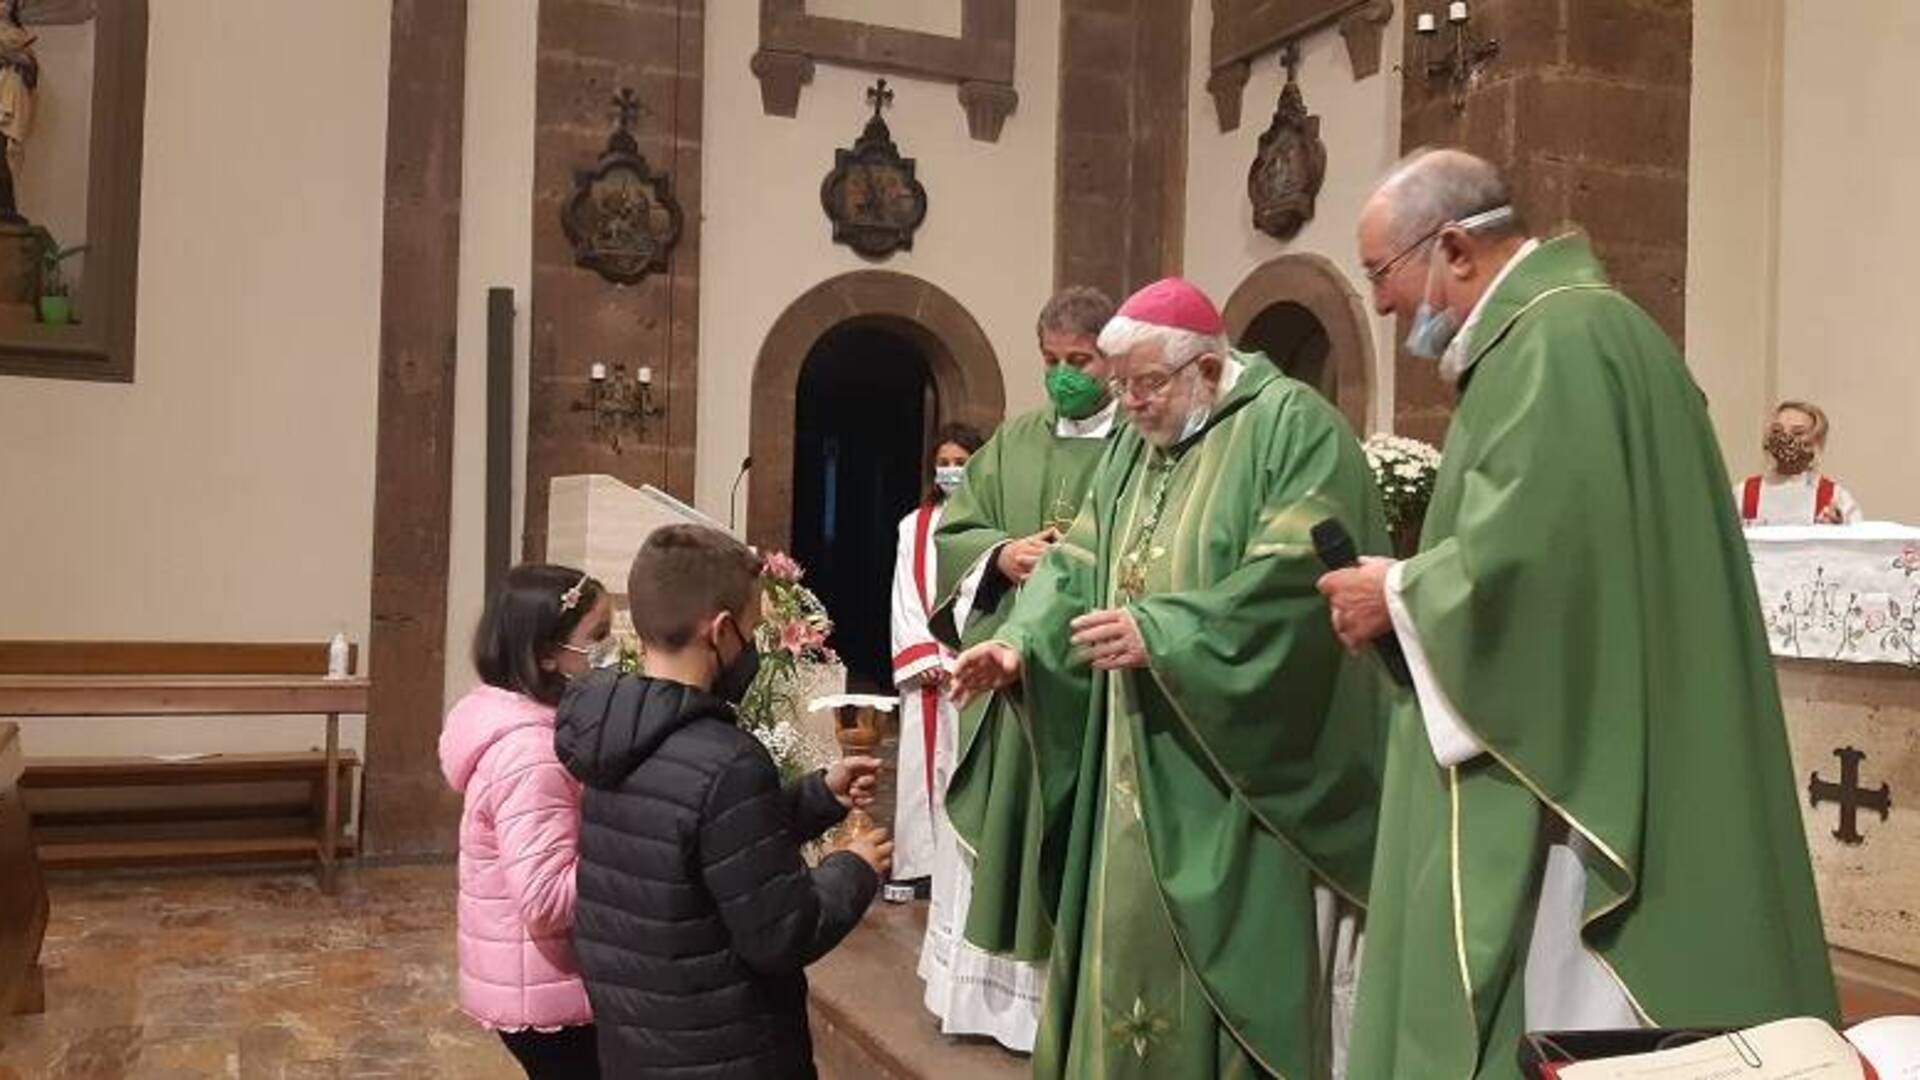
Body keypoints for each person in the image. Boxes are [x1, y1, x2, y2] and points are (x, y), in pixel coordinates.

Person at [1321, 148, 1837, 1079]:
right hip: (1625, 721)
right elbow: (1566, 553)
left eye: (1380, 275)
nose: (1386, 304)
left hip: (1584, 783)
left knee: (1578, 1008)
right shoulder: (1587, 332)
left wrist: (1394, 594)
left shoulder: (1555, 343)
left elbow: (1532, 574)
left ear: (1452, 249)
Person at [951, 277, 1388, 1078]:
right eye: (1122, 387)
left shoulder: (1293, 429)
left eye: (1146, 384)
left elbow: (1300, 580)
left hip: (1233, 766)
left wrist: (1165, 632)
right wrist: (1017, 643)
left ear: (1211, 369)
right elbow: (1078, 559)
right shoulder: (1139, 438)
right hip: (1127, 746)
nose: (1131, 405)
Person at [555, 524, 892, 1079]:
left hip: (640, 1041)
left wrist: (817, 795)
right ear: (719, 630)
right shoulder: (726, 759)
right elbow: (781, 932)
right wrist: (851, 870)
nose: (754, 646)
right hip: (724, 1051)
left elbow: (699, 845)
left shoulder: (610, 733)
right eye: (754, 628)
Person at [918, 285, 1120, 1052]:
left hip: (1094, 677)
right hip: (1009, 676)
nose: (1066, 376)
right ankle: (990, 1004)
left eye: (1081, 361)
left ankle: (1066, 1012)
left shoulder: (1139, 442)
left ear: (1112, 358)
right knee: (1005, 820)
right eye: (1052, 362)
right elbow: (957, 530)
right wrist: (1002, 554)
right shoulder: (1017, 439)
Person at [440, 564, 613, 1079]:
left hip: (537, 981)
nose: (612, 651)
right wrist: (632, 857)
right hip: (544, 992)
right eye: (598, 638)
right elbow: (544, 898)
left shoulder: (531, 726)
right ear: (545, 653)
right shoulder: (531, 752)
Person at [888, 423, 986, 894]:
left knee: (969, 763)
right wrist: (924, 653)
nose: (950, 470)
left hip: (977, 666)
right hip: (930, 669)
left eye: (960, 462)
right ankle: (923, 867)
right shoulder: (915, 525)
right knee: (924, 767)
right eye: (943, 462)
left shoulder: (995, 521)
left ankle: (969, 863)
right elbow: (906, 594)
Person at [1735, 400, 1862, 525]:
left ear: (1816, 441)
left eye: (1798, 433)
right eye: (1777, 431)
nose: (1785, 437)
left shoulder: (1835, 498)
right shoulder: (1743, 493)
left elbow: (1858, 541)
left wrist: (1840, 530)